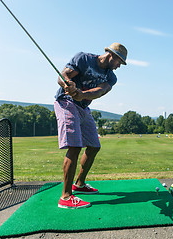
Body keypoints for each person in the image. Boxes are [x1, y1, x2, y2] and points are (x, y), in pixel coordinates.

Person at [54, 42, 127, 209]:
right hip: (66, 102)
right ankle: (65, 197)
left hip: (83, 106)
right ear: (112, 55)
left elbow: (99, 91)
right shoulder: (83, 59)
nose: (118, 67)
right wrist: (67, 84)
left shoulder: (111, 77)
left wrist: (81, 94)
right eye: (119, 62)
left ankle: (79, 184)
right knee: (74, 145)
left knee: (94, 146)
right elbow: (62, 76)